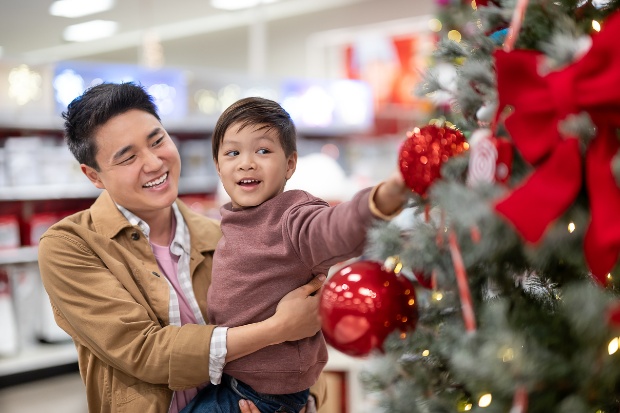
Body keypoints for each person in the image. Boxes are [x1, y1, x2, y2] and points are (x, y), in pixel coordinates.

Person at [37, 82, 328, 413]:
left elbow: (300, 341)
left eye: (157, 141)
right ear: (94, 176)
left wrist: (302, 404)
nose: (153, 163)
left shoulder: (222, 234)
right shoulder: (72, 246)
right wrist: (276, 329)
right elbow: (143, 351)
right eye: (128, 157)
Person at [181, 97, 408, 413]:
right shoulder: (234, 219)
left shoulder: (292, 215)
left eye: (263, 150)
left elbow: (333, 228)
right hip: (234, 382)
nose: (247, 162)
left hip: (262, 398)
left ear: (290, 164)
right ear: (218, 166)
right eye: (233, 152)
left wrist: (379, 201)